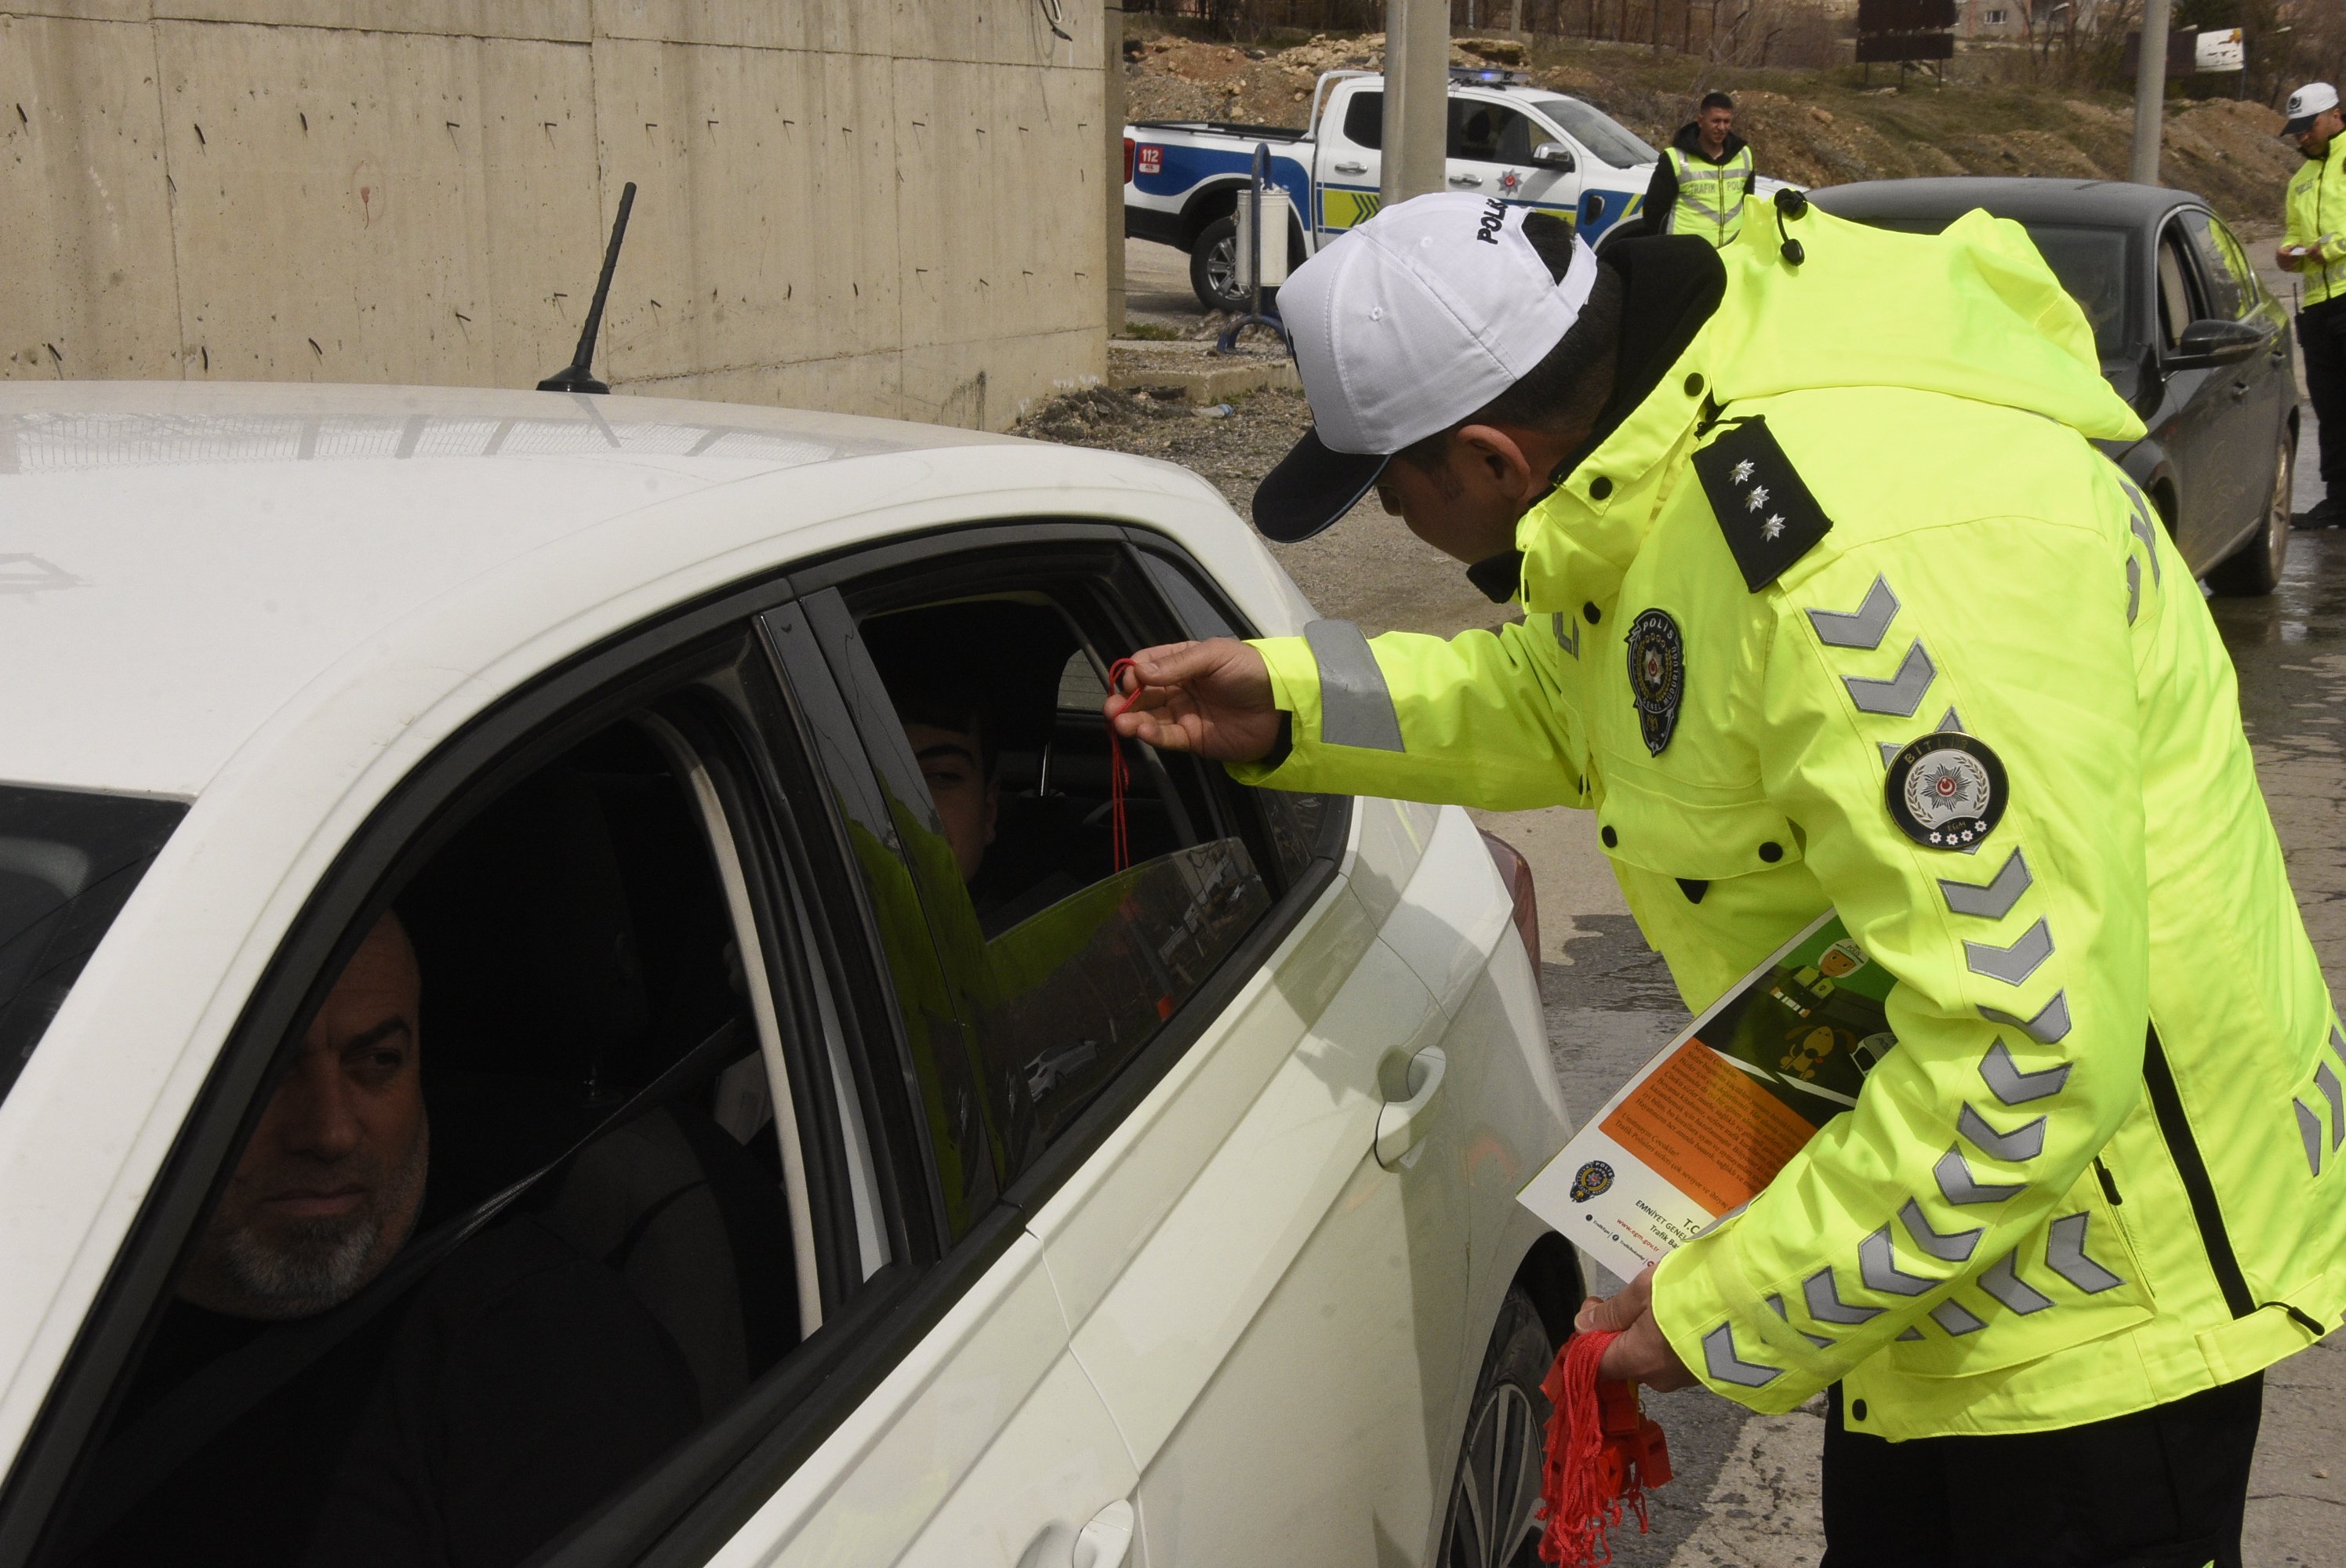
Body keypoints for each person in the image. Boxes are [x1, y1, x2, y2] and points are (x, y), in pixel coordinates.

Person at [1109, 192, 2345, 1566]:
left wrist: (1728, 1309)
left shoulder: (1870, 563)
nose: (1393, 516)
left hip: (2102, 1314)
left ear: (1489, 455)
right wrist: (1291, 703)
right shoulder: (1668, 478)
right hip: (1943, 1258)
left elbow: (2021, 1051)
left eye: (1388, 486)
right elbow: (1579, 698)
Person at [74, 912, 700, 1568]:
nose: (330, 1131)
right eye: (264, 1071)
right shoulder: (49, 1290)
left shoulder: (544, 1351)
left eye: (377, 1061)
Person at [2279, 82, 2346, 529]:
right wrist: (2288, 253)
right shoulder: (2299, 181)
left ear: (2334, 116)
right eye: (2296, 130)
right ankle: (2338, 500)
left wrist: (2336, 248)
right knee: (2331, 408)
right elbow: (2291, 232)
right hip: (2319, 309)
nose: (2302, 136)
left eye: (2308, 127)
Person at [1639, 91, 1752, 247]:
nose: (1722, 127)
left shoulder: (1744, 155)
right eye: (1716, 121)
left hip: (1732, 252)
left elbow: (1748, 202)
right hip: (1687, 253)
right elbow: (1654, 212)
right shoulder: (1675, 158)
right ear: (1700, 121)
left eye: (1727, 122)